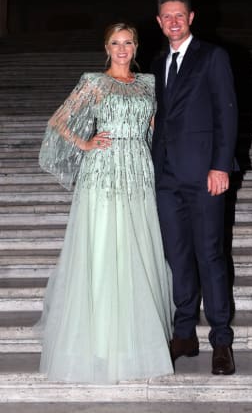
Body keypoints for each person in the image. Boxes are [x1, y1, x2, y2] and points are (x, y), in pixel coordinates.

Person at [37, 23, 173, 383]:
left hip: (139, 171)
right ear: (106, 47)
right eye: (116, 43)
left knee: (135, 252)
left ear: (137, 46)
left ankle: (135, 340)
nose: (122, 48)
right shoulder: (94, 83)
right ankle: (97, 342)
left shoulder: (148, 84)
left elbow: (154, 129)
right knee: (102, 251)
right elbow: (59, 121)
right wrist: (85, 144)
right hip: (103, 171)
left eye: (128, 42)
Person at [150, 0, 239, 375]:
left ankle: (221, 340)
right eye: (167, 16)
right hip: (166, 177)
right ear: (158, 22)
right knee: (177, 257)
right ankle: (184, 333)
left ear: (191, 18)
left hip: (205, 175)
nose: (173, 21)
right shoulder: (155, 63)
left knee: (210, 255)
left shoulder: (213, 56)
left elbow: (227, 113)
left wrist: (221, 166)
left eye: (179, 15)